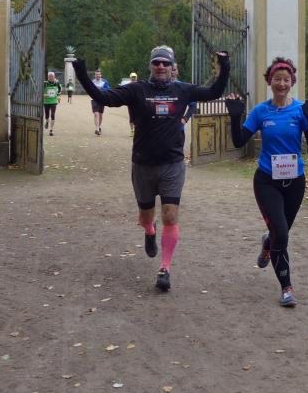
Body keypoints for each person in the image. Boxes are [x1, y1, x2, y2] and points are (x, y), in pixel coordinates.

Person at [73, 45, 230, 292]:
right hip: (143, 164)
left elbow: (214, 92)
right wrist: (82, 74)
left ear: (172, 67)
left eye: (165, 63)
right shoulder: (137, 90)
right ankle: (149, 230)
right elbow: (104, 98)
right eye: (156, 62)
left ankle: (165, 268)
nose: (161, 66)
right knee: (146, 217)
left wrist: (224, 67)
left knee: (170, 215)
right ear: (150, 65)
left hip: (172, 164)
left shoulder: (182, 90)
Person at [224, 57, 308, 307]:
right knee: (282, 234)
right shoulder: (261, 111)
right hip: (267, 181)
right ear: (270, 81)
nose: (282, 83)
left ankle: (268, 242)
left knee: (279, 233)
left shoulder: (300, 110)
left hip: (295, 182)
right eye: (277, 79)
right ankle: (286, 287)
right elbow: (239, 141)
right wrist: (235, 117)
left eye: (286, 79)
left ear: (292, 82)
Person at [172, 63, 197, 131]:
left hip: (178, 130)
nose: (172, 72)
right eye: (170, 69)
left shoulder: (183, 87)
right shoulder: (159, 87)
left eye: (174, 70)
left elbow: (193, 105)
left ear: (177, 71)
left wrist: (185, 119)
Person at [90, 69, 110, 135]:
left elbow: (108, 89)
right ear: (94, 75)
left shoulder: (105, 82)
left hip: (102, 99)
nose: (97, 76)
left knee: (100, 114)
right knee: (96, 114)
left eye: (99, 74)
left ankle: (99, 126)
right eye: (96, 74)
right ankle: (97, 129)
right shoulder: (92, 82)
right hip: (94, 99)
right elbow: (89, 89)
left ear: (101, 75)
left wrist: (101, 89)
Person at [42, 71, 62, 136]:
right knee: (47, 115)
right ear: (48, 77)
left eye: (52, 76)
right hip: (46, 101)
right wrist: (44, 95)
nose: (51, 77)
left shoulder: (57, 83)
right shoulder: (45, 83)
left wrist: (58, 95)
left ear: (54, 77)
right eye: (49, 76)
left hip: (54, 101)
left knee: (53, 114)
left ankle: (51, 130)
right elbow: (41, 90)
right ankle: (47, 121)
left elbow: (60, 89)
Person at [127, 72, 138, 137]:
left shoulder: (139, 85)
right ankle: (132, 130)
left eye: (134, 77)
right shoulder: (128, 85)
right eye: (132, 77)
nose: (133, 78)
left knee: (138, 117)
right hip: (130, 103)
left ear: (136, 78)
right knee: (131, 117)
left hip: (138, 103)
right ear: (130, 78)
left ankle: (137, 130)